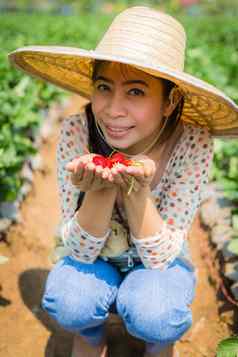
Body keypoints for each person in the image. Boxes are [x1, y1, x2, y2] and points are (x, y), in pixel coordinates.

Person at [9, 6, 238, 357]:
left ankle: (160, 344)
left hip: (157, 262)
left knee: (156, 314)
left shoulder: (193, 141)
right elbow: (81, 252)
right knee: (70, 301)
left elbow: (162, 257)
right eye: (104, 87)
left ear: (169, 100)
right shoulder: (77, 132)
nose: (114, 109)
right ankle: (89, 335)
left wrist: (137, 192)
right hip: (94, 256)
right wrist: (99, 190)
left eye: (135, 92)